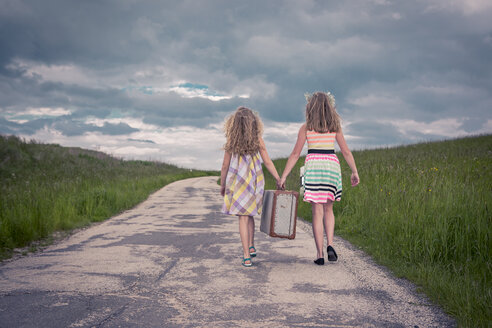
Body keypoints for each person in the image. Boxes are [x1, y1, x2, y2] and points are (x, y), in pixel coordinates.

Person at [279, 92, 360, 265]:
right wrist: (354, 171)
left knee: (317, 211)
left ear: (311, 107)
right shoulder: (335, 126)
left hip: (314, 166)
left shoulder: (306, 127)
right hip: (331, 166)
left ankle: (319, 254)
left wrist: (283, 176)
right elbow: (345, 151)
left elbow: (295, 154)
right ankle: (330, 244)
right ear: (329, 107)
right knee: (328, 209)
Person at [221, 107, 281, 267]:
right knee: (250, 214)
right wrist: (278, 178)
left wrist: (223, 185)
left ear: (234, 124)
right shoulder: (258, 140)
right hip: (255, 182)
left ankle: (246, 255)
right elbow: (267, 161)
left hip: (239, 183)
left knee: (243, 216)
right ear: (254, 123)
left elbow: (225, 166)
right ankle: (251, 245)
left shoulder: (231, 142)